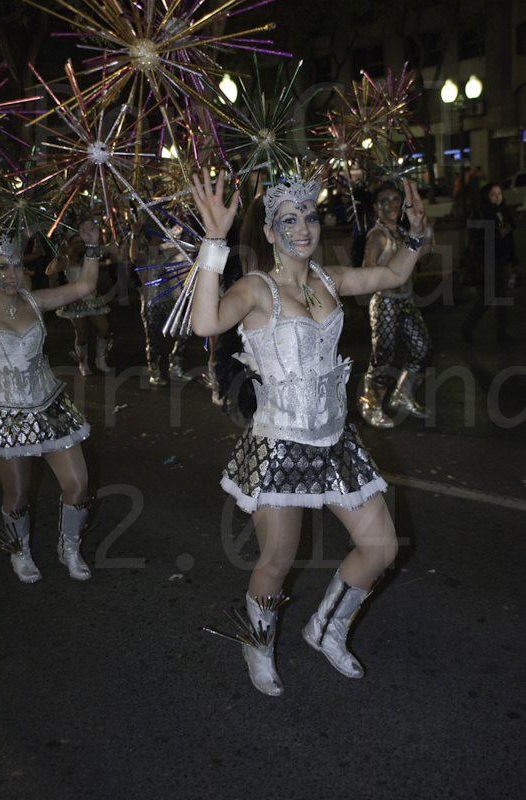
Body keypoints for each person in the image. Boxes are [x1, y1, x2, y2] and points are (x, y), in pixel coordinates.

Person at [190, 168, 427, 696]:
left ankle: (325, 627)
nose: (303, 228)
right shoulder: (256, 289)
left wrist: (414, 235)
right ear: (269, 231)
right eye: (288, 220)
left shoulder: (327, 278)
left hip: (335, 441)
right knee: (277, 562)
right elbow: (204, 324)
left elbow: (391, 275)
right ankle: (257, 644)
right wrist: (213, 241)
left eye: (310, 216)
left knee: (381, 548)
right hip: (280, 444)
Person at [0, 223, 100, 583]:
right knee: (17, 494)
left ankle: (69, 547)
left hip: (50, 406)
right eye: (1, 267)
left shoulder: (35, 301)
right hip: (5, 415)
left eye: (15, 265)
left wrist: (92, 247)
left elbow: (85, 286)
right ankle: (19, 550)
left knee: (79, 484)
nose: (11, 275)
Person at [357, 182, 433, 428]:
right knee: (384, 358)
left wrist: (425, 228)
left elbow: (425, 258)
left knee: (422, 349)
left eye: (395, 199)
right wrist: (389, 272)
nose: (391, 204)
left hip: (406, 301)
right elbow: (365, 274)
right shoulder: (378, 236)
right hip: (385, 304)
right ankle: (370, 404)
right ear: (375, 207)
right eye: (384, 200)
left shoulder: (402, 232)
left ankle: (403, 395)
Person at [129, 218, 190, 385]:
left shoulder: (164, 253)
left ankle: (175, 367)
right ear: (153, 235)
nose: (164, 234)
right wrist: (135, 234)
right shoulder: (144, 255)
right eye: (160, 232)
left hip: (168, 301)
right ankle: (154, 372)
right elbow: (134, 257)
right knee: (153, 340)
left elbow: (184, 248)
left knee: (183, 331)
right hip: (151, 303)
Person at [45, 231, 112, 376]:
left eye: (81, 242)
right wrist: (58, 255)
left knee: (105, 329)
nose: (79, 245)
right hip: (75, 299)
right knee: (82, 335)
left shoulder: (88, 256)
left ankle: (100, 359)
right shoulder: (66, 260)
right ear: (68, 244)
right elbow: (49, 271)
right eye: (75, 242)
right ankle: (83, 362)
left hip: (92, 298)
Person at [461, 182, 518, 344]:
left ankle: (501, 332)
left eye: (499, 193)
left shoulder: (505, 213)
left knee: (500, 298)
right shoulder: (481, 214)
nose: (497, 197)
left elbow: (510, 240)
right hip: (486, 262)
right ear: (486, 196)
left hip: (501, 261)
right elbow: (475, 239)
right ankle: (468, 327)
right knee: (486, 298)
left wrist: (514, 261)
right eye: (493, 194)